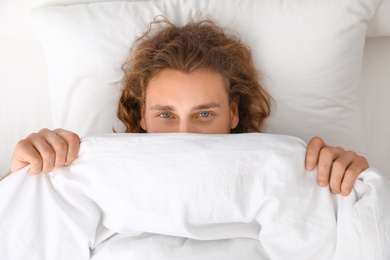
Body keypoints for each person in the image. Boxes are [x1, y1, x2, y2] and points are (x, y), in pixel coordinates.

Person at [9, 18, 368, 196]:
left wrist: (351, 182)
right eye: (166, 115)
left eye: (204, 115)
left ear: (234, 115)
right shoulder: (91, 171)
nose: (184, 135)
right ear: (143, 118)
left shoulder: (287, 168)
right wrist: (20, 180)